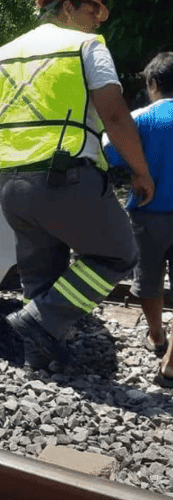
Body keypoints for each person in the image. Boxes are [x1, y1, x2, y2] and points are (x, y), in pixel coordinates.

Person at [0, 0, 155, 370]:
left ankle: (39, 361)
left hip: (10, 185)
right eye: (92, 11)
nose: (96, 22)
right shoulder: (87, 47)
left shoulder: (0, 55)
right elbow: (115, 114)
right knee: (119, 253)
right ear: (69, 7)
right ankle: (40, 321)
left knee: (40, 272)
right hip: (65, 178)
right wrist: (141, 171)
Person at [104, 52, 173, 387]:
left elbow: (109, 151)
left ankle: (158, 336)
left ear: (153, 84)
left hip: (149, 213)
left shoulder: (141, 118)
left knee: (148, 280)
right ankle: (171, 363)